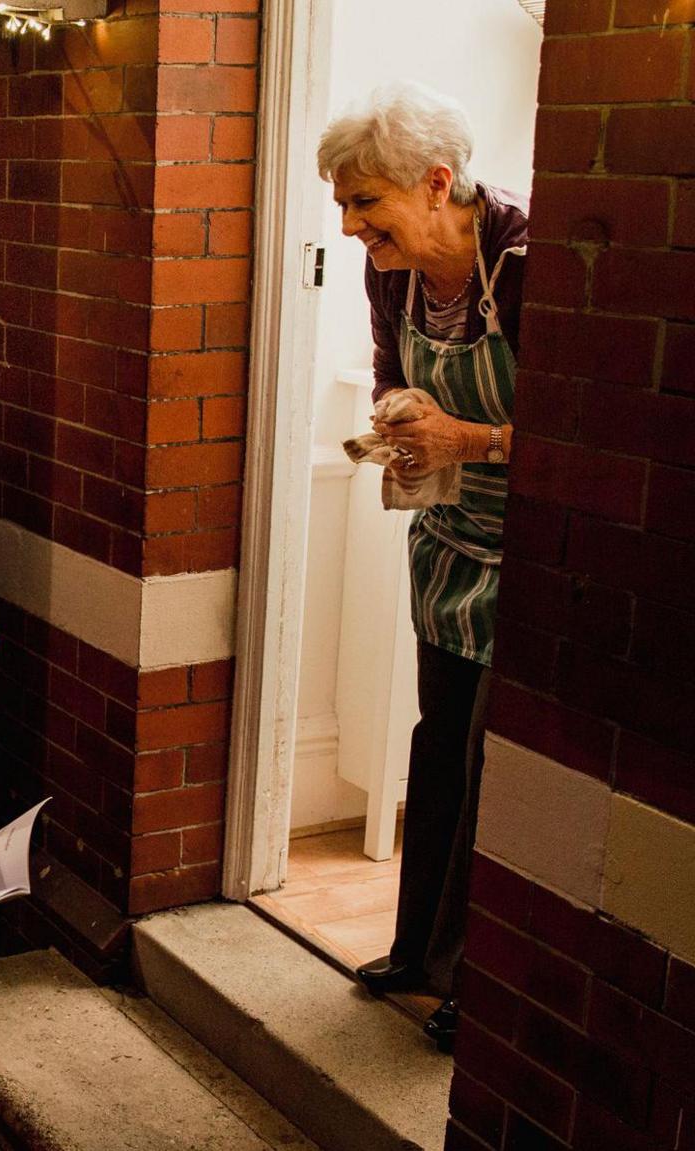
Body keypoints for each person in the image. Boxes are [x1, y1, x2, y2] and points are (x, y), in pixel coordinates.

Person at [318, 81, 526, 1051]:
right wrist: (399, 417)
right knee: (439, 742)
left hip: (527, 553)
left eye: (365, 202)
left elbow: (580, 436)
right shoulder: (392, 275)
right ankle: (417, 950)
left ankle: (476, 983)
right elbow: (389, 368)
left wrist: (470, 438)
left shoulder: (528, 263)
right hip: (448, 548)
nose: (350, 221)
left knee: (499, 768)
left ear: (436, 182)